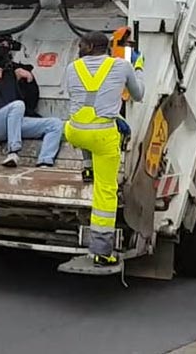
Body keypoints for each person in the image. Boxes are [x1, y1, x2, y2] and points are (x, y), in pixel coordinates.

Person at [64, 31, 145, 268]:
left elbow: (74, 96)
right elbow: (138, 95)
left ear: (89, 47)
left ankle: (87, 167)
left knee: (83, 124)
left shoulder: (72, 67)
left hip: (74, 132)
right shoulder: (122, 66)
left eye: (81, 45)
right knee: (105, 191)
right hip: (101, 137)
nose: (79, 47)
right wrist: (137, 67)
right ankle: (101, 251)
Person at [0, 40, 63, 168]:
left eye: (7, 46)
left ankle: (45, 161)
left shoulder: (19, 70)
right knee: (18, 105)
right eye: (1, 45)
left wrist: (29, 80)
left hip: (17, 123)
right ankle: (13, 152)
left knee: (55, 123)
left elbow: (32, 103)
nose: (4, 49)